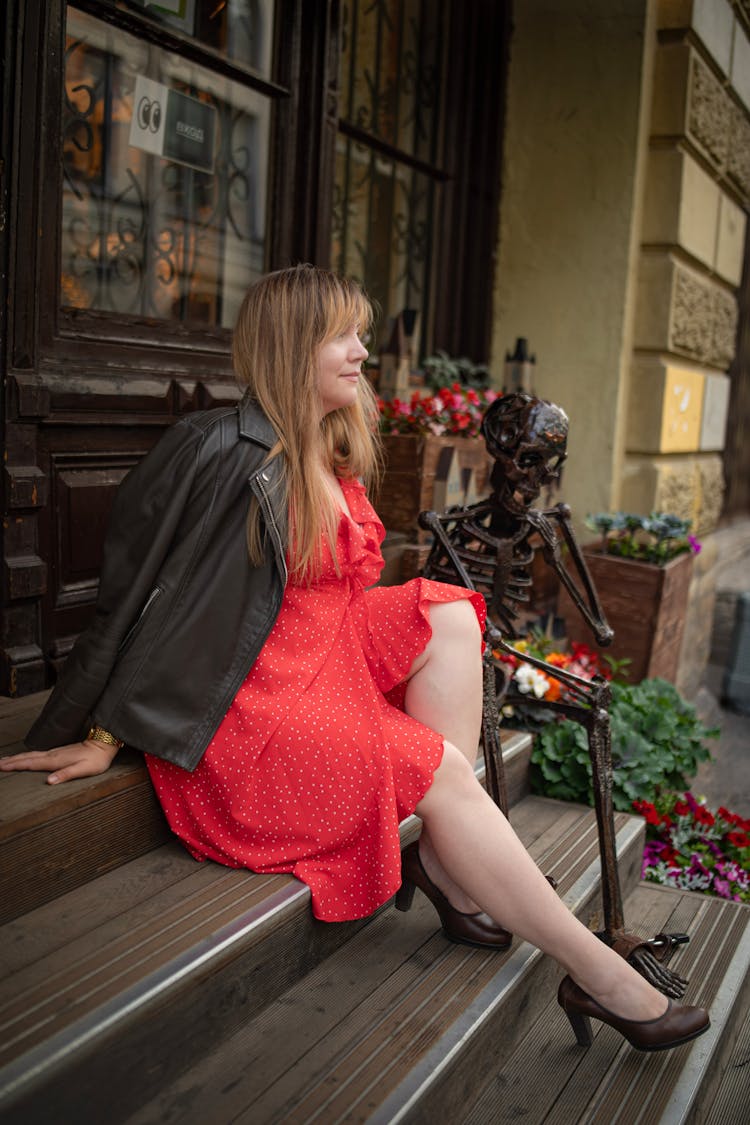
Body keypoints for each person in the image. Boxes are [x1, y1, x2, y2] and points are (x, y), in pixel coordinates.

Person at [1, 265, 709, 1052]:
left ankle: (443, 856)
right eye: (343, 334)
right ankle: (596, 969)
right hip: (255, 702)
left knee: (449, 608)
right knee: (438, 764)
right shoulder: (216, 447)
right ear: (292, 343)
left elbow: (335, 586)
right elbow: (136, 596)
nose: (362, 350)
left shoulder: (330, 440)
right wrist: (98, 731)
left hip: (326, 648)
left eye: (361, 332)